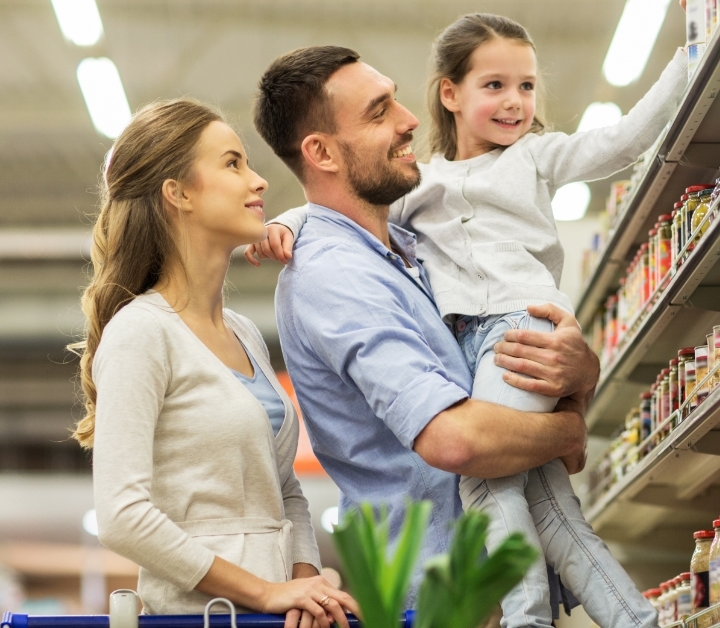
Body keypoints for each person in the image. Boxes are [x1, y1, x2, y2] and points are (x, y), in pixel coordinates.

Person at [250, 14, 687, 628]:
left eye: (526, 86)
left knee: (557, 514)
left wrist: (579, 371)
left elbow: (620, 141)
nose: (408, 119)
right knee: (529, 500)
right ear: (320, 152)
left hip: (470, 584)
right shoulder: (336, 271)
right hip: (436, 595)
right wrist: (566, 431)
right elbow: (457, 443)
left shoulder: (411, 245)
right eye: (379, 112)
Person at [69, 99, 358, 628]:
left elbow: (285, 491)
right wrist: (264, 592)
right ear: (178, 193)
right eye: (232, 164)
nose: (258, 180)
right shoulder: (140, 332)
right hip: (198, 617)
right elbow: (121, 517)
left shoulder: (244, 334)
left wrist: (305, 586)